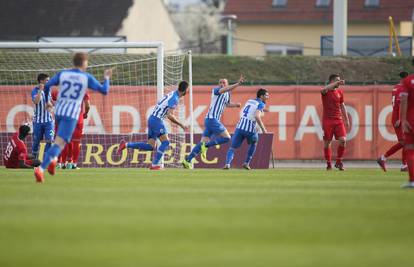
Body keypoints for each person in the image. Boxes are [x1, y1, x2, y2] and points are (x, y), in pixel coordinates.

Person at [34, 52, 112, 183]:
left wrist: (48, 101)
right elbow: (104, 90)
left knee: (61, 142)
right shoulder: (86, 77)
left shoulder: (63, 74)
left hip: (58, 112)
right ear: (84, 63)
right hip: (71, 114)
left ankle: (54, 160)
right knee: (60, 143)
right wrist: (107, 78)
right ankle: (41, 169)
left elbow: (47, 85)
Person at [117, 81, 189, 170]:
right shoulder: (175, 98)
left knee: (150, 146)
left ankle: (126, 145)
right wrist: (181, 124)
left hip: (152, 119)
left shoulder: (172, 94)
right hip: (157, 121)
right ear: (185, 90)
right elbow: (169, 115)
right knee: (166, 143)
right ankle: (155, 164)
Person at [182, 75, 245, 169]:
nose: (222, 84)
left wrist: (235, 105)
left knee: (201, 143)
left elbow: (226, 103)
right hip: (212, 120)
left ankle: (187, 160)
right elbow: (225, 90)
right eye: (220, 82)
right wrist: (238, 84)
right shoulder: (216, 90)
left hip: (210, 121)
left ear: (227, 84)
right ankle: (207, 146)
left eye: (224, 82)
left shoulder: (227, 94)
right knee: (227, 138)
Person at [223, 88, 268, 170]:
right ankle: (246, 163)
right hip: (250, 130)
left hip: (239, 127)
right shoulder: (261, 104)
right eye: (266, 95)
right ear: (261, 96)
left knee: (232, 148)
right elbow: (257, 116)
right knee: (254, 143)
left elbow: (250, 110)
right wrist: (263, 129)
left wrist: (263, 110)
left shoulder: (249, 101)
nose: (268, 97)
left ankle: (227, 164)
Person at [377, 71, 408, 172]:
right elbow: (401, 104)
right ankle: (384, 158)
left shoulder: (395, 87)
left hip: (398, 117)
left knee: (406, 141)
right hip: (399, 118)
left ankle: (404, 165)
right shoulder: (403, 88)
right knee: (404, 141)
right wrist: (400, 118)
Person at [52, 90, 90, 170]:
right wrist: (85, 113)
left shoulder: (58, 91)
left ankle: (60, 163)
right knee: (75, 142)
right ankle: (72, 164)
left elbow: (52, 103)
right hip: (77, 120)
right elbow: (87, 105)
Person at [321, 74, 350, 171]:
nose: (339, 82)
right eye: (337, 80)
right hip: (327, 120)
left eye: (339, 80)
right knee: (327, 142)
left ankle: (338, 162)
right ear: (332, 81)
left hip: (338, 120)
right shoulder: (326, 91)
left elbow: (342, 105)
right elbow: (323, 89)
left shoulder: (340, 92)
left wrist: (346, 118)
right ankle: (328, 164)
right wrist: (337, 83)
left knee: (343, 140)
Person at [31, 73, 54, 159]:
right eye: (47, 80)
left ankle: (47, 161)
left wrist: (52, 104)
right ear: (41, 81)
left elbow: (50, 103)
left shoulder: (49, 90)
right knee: (36, 141)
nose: (49, 82)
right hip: (38, 121)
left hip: (49, 121)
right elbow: (36, 101)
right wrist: (40, 90)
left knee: (50, 140)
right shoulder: (34, 91)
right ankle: (33, 160)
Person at [399, 60, 414, 188]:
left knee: (410, 149)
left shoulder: (407, 81)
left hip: (411, 119)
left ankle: (412, 180)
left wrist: (403, 119)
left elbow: (403, 100)